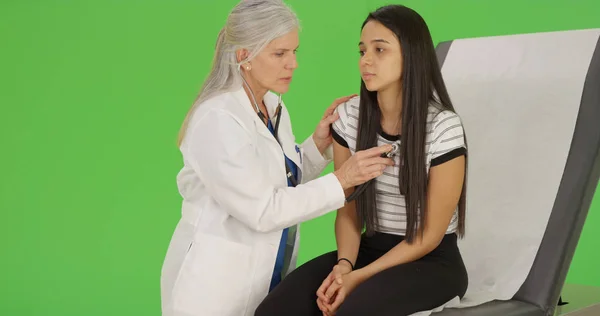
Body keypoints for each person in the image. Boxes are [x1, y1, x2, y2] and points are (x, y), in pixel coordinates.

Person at [159, 1, 395, 316]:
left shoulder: (271, 105)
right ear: (245, 56)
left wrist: (318, 145)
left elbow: (280, 180)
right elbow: (264, 209)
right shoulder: (216, 120)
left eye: (294, 52)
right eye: (280, 54)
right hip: (213, 287)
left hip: (266, 276)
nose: (293, 64)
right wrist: (343, 179)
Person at [255, 4, 469, 316]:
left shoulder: (443, 128)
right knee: (276, 310)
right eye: (362, 50)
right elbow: (349, 212)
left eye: (379, 50)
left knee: (351, 311)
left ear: (411, 56)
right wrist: (344, 266)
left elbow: (429, 235)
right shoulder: (350, 119)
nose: (365, 61)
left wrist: (359, 277)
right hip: (366, 252)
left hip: (431, 262)